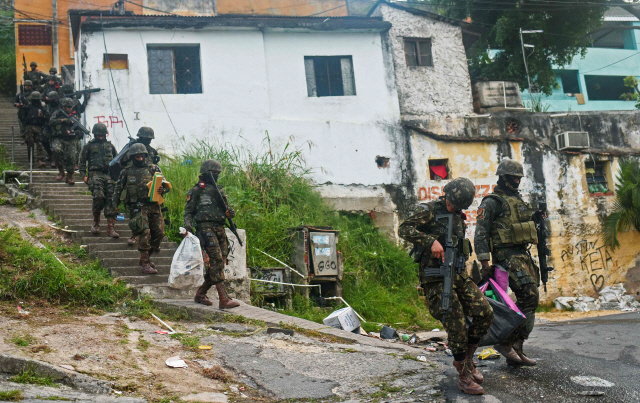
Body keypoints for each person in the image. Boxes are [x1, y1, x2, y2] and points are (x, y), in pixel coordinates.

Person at [399, 178, 493, 395]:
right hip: (436, 278)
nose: (454, 208)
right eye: (452, 204)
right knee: (456, 326)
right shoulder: (429, 210)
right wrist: (429, 240)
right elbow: (404, 229)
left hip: (459, 275)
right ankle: (463, 376)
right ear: (447, 196)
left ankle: (467, 360)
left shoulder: (459, 216)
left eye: (458, 206)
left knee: (485, 313)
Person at [474, 159, 539, 366]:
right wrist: (485, 263)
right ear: (503, 177)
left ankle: (516, 347)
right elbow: (481, 233)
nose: (517, 181)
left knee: (531, 300)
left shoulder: (518, 200)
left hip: (522, 254)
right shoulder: (492, 201)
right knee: (529, 296)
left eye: (519, 177)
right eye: (513, 177)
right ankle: (506, 342)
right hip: (506, 257)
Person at [184, 159, 240, 309]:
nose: (215, 176)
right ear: (205, 173)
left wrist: (230, 212)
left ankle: (200, 294)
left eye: (217, 173)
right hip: (205, 228)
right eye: (212, 173)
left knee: (219, 262)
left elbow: (228, 209)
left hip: (220, 228)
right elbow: (188, 212)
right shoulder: (196, 190)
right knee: (215, 260)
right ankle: (224, 298)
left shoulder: (219, 191)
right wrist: (188, 228)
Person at [113, 143, 170, 274]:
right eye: (137, 157)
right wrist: (114, 206)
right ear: (132, 157)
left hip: (154, 205)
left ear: (145, 156)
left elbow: (165, 185)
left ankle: (147, 257)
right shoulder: (126, 172)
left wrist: (162, 189)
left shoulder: (154, 169)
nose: (139, 159)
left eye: (141, 156)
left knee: (159, 233)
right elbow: (118, 190)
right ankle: (144, 263)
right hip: (138, 207)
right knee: (145, 232)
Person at [79, 123, 120, 238]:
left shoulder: (110, 146)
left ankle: (111, 227)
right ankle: (96, 222)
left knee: (111, 200)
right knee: (98, 196)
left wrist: (117, 175)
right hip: (94, 175)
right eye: (98, 135)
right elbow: (81, 161)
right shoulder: (89, 146)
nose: (100, 137)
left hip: (108, 175)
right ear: (95, 135)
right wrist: (83, 175)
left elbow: (117, 161)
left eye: (102, 135)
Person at [123, 127, 160, 247]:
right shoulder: (130, 148)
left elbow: (155, 167)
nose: (147, 140)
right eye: (145, 138)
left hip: (148, 182)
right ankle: (134, 234)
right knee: (136, 214)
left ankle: (151, 242)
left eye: (149, 139)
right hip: (133, 180)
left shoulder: (152, 151)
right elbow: (122, 162)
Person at [49, 98, 79, 184]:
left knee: (72, 156)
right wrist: (63, 120)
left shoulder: (74, 117)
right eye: (68, 107)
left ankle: (69, 177)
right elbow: (51, 122)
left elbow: (79, 131)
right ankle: (61, 171)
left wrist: (74, 131)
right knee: (56, 150)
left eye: (71, 107)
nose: (70, 109)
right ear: (63, 107)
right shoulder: (57, 114)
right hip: (58, 137)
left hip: (70, 139)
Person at [21, 91, 47, 168]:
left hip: (38, 127)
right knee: (30, 143)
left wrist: (42, 116)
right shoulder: (27, 107)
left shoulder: (42, 108)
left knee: (39, 144)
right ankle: (31, 161)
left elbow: (46, 118)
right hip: (29, 127)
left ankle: (40, 160)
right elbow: (22, 117)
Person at [42, 91, 61, 164]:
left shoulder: (60, 107)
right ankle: (49, 154)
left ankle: (55, 158)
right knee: (45, 140)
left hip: (57, 127)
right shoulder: (47, 107)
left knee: (55, 143)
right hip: (48, 126)